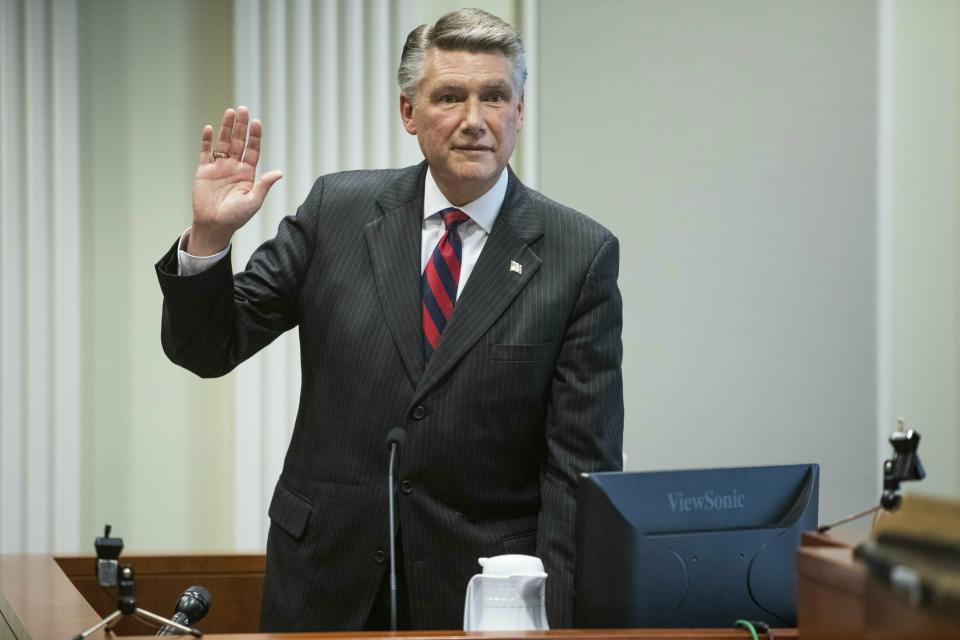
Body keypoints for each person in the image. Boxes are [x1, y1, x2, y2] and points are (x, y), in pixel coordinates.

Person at [155, 8, 623, 632]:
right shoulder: (337, 212)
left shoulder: (578, 253)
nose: (474, 120)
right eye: (450, 96)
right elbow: (207, 348)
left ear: (520, 112)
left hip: (480, 599)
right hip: (324, 580)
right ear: (409, 113)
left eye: (495, 97)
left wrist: (562, 625)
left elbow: (578, 471)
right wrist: (209, 238)